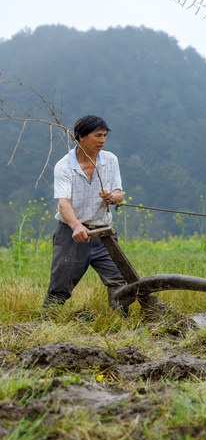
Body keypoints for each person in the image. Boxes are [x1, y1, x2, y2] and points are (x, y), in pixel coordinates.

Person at [42, 115, 158, 315]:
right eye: (97, 136)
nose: (102, 140)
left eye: (104, 135)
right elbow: (63, 203)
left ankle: (118, 322)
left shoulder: (110, 160)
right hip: (73, 235)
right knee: (60, 285)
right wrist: (76, 226)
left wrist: (112, 196)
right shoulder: (64, 166)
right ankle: (44, 323)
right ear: (81, 137)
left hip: (104, 233)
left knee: (118, 281)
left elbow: (119, 195)